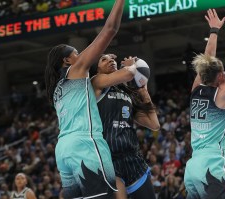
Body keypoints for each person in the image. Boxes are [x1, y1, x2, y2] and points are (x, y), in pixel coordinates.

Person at [43, 0, 125, 198]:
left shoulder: (56, 87)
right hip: (84, 143)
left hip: (63, 149)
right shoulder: (76, 70)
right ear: (67, 60)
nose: (81, 57)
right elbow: (110, 28)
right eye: (77, 53)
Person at [184, 8, 225, 199]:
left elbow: (206, 61)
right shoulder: (221, 95)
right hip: (211, 165)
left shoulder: (195, 89)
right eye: (223, 73)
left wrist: (214, 31)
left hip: (192, 167)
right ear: (218, 77)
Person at [91, 54, 160, 199]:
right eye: (104, 59)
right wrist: (132, 66)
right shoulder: (96, 82)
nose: (110, 60)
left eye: (112, 59)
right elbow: (128, 73)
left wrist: (143, 91)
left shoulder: (127, 94)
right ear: (97, 68)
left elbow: (154, 124)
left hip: (133, 158)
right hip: (109, 160)